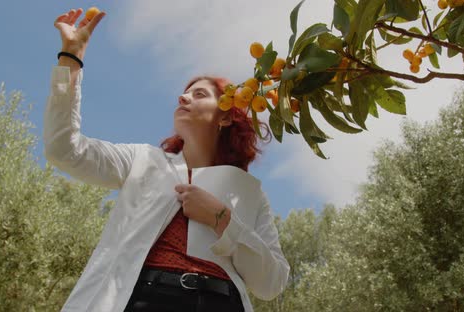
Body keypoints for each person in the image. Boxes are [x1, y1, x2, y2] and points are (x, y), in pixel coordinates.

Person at [45, 8, 290, 312]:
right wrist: (71, 59)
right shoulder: (143, 160)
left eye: (199, 94)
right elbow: (63, 149)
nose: (183, 98)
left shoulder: (249, 192)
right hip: (142, 298)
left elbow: (273, 282)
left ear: (225, 116)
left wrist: (221, 219)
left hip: (222, 303)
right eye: (183, 94)